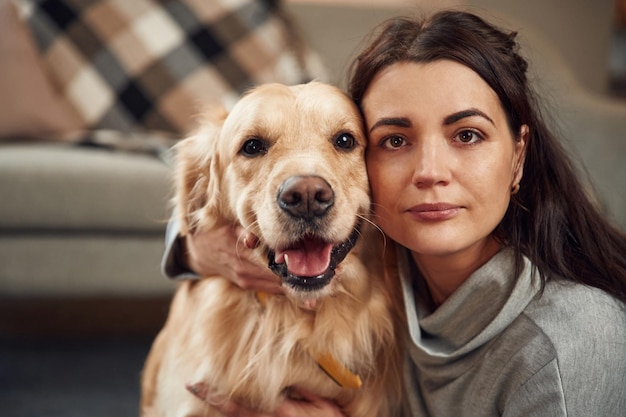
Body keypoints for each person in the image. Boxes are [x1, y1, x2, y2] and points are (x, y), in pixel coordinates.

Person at [162, 10, 626, 417]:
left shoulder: (566, 349)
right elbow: (204, 200)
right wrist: (194, 247)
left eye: (467, 135)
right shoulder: (391, 251)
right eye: (395, 140)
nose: (429, 172)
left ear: (519, 155)